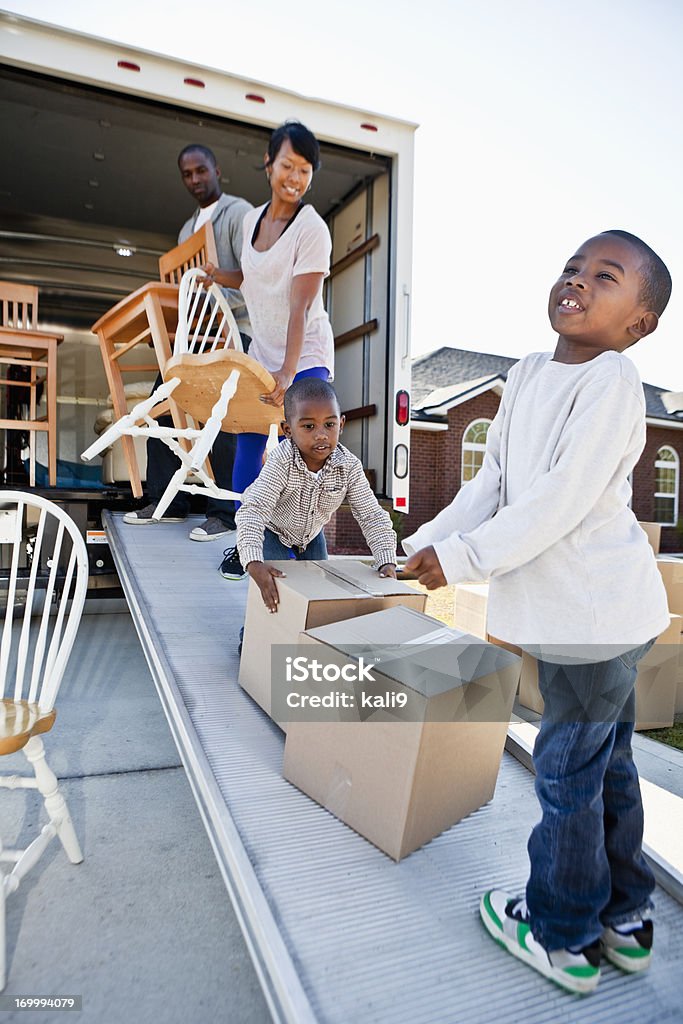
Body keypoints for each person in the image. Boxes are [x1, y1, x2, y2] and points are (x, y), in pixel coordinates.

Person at [403, 230, 672, 995]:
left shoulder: (613, 382)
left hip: (595, 620)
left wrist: (460, 562)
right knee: (605, 769)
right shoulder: (522, 374)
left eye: (605, 277)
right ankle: (623, 918)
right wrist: (423, 543)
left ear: (637, 323)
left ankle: (560, 933)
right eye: (571, 267)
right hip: (575, 619)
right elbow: (491, 486)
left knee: (566, 780)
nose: (578, 281)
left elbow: (557, 502)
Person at [199, 121, 334, 579]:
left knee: (304, 457)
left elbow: (300, 306)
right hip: (265, 350)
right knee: (249, 443)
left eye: (305, 170)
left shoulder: (312, 230)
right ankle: (248, 543)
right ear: (268, 163)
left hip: (306, 355)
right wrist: (220, 276)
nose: (295, 178)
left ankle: (309, 562)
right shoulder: (249, 219)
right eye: (288, 166)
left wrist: (288, 374)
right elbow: (255, 275)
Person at [123, 144, 252, 542]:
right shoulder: (186, 231)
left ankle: (225, 512)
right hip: (195, 336)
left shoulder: (240, 213)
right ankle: (169, 502)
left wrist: (216, 294)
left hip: (233, 331)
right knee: (162, 399)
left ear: (217, 170)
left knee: (223, 415)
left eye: (201, 171)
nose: (195, 179)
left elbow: (256, 275)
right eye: (187, 174)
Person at [230, 379, 397, 617]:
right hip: (272, 531)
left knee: (321, 592)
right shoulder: (281, 460)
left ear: (341, 424)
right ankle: (253, 633)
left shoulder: (349, 467)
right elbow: (253, 510)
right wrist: (253, 561)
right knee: (275, 589)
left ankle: (310, 635)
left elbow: (371, 515)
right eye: (308, 427)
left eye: (329, 424)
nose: (321, 435)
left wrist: (386, 559)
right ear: (288, 430)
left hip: (312, 535)